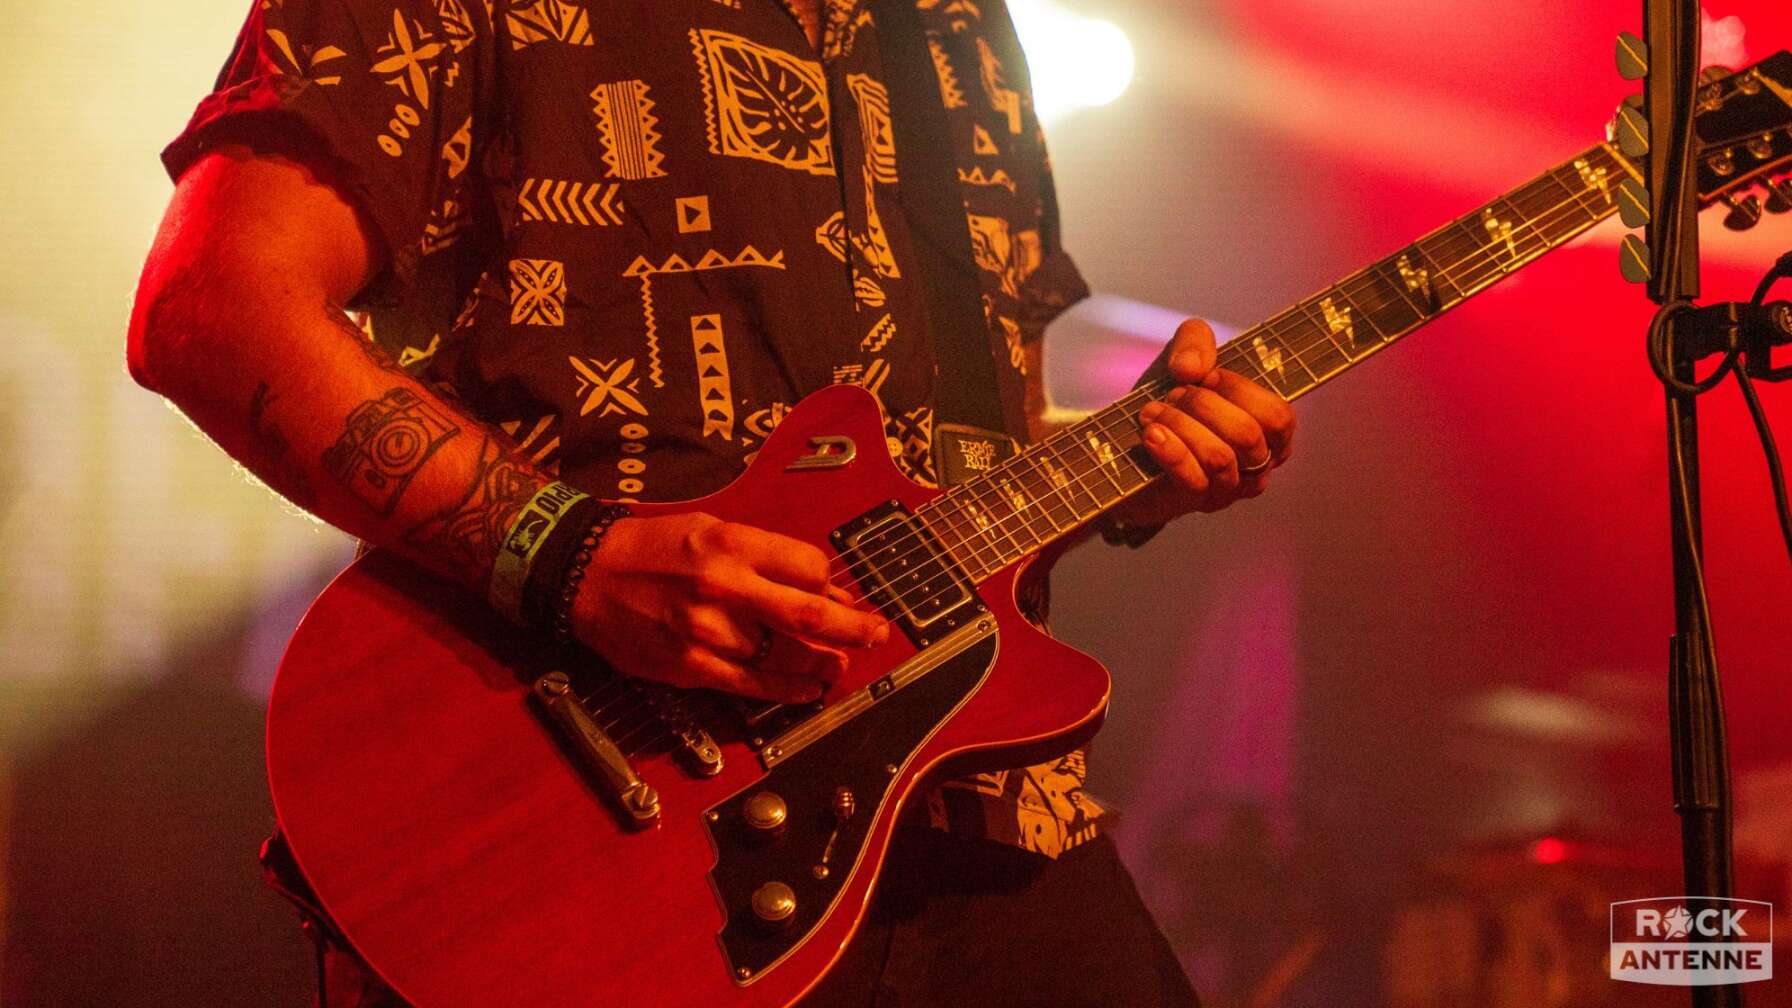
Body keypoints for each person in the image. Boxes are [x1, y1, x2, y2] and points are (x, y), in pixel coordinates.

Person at [128, 0, 1294, 1004]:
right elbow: (215, 305)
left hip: (984, 822)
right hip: (595, 854)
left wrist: (1127, 461)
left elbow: (956, 459)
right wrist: (573, 557)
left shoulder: (959, 30)